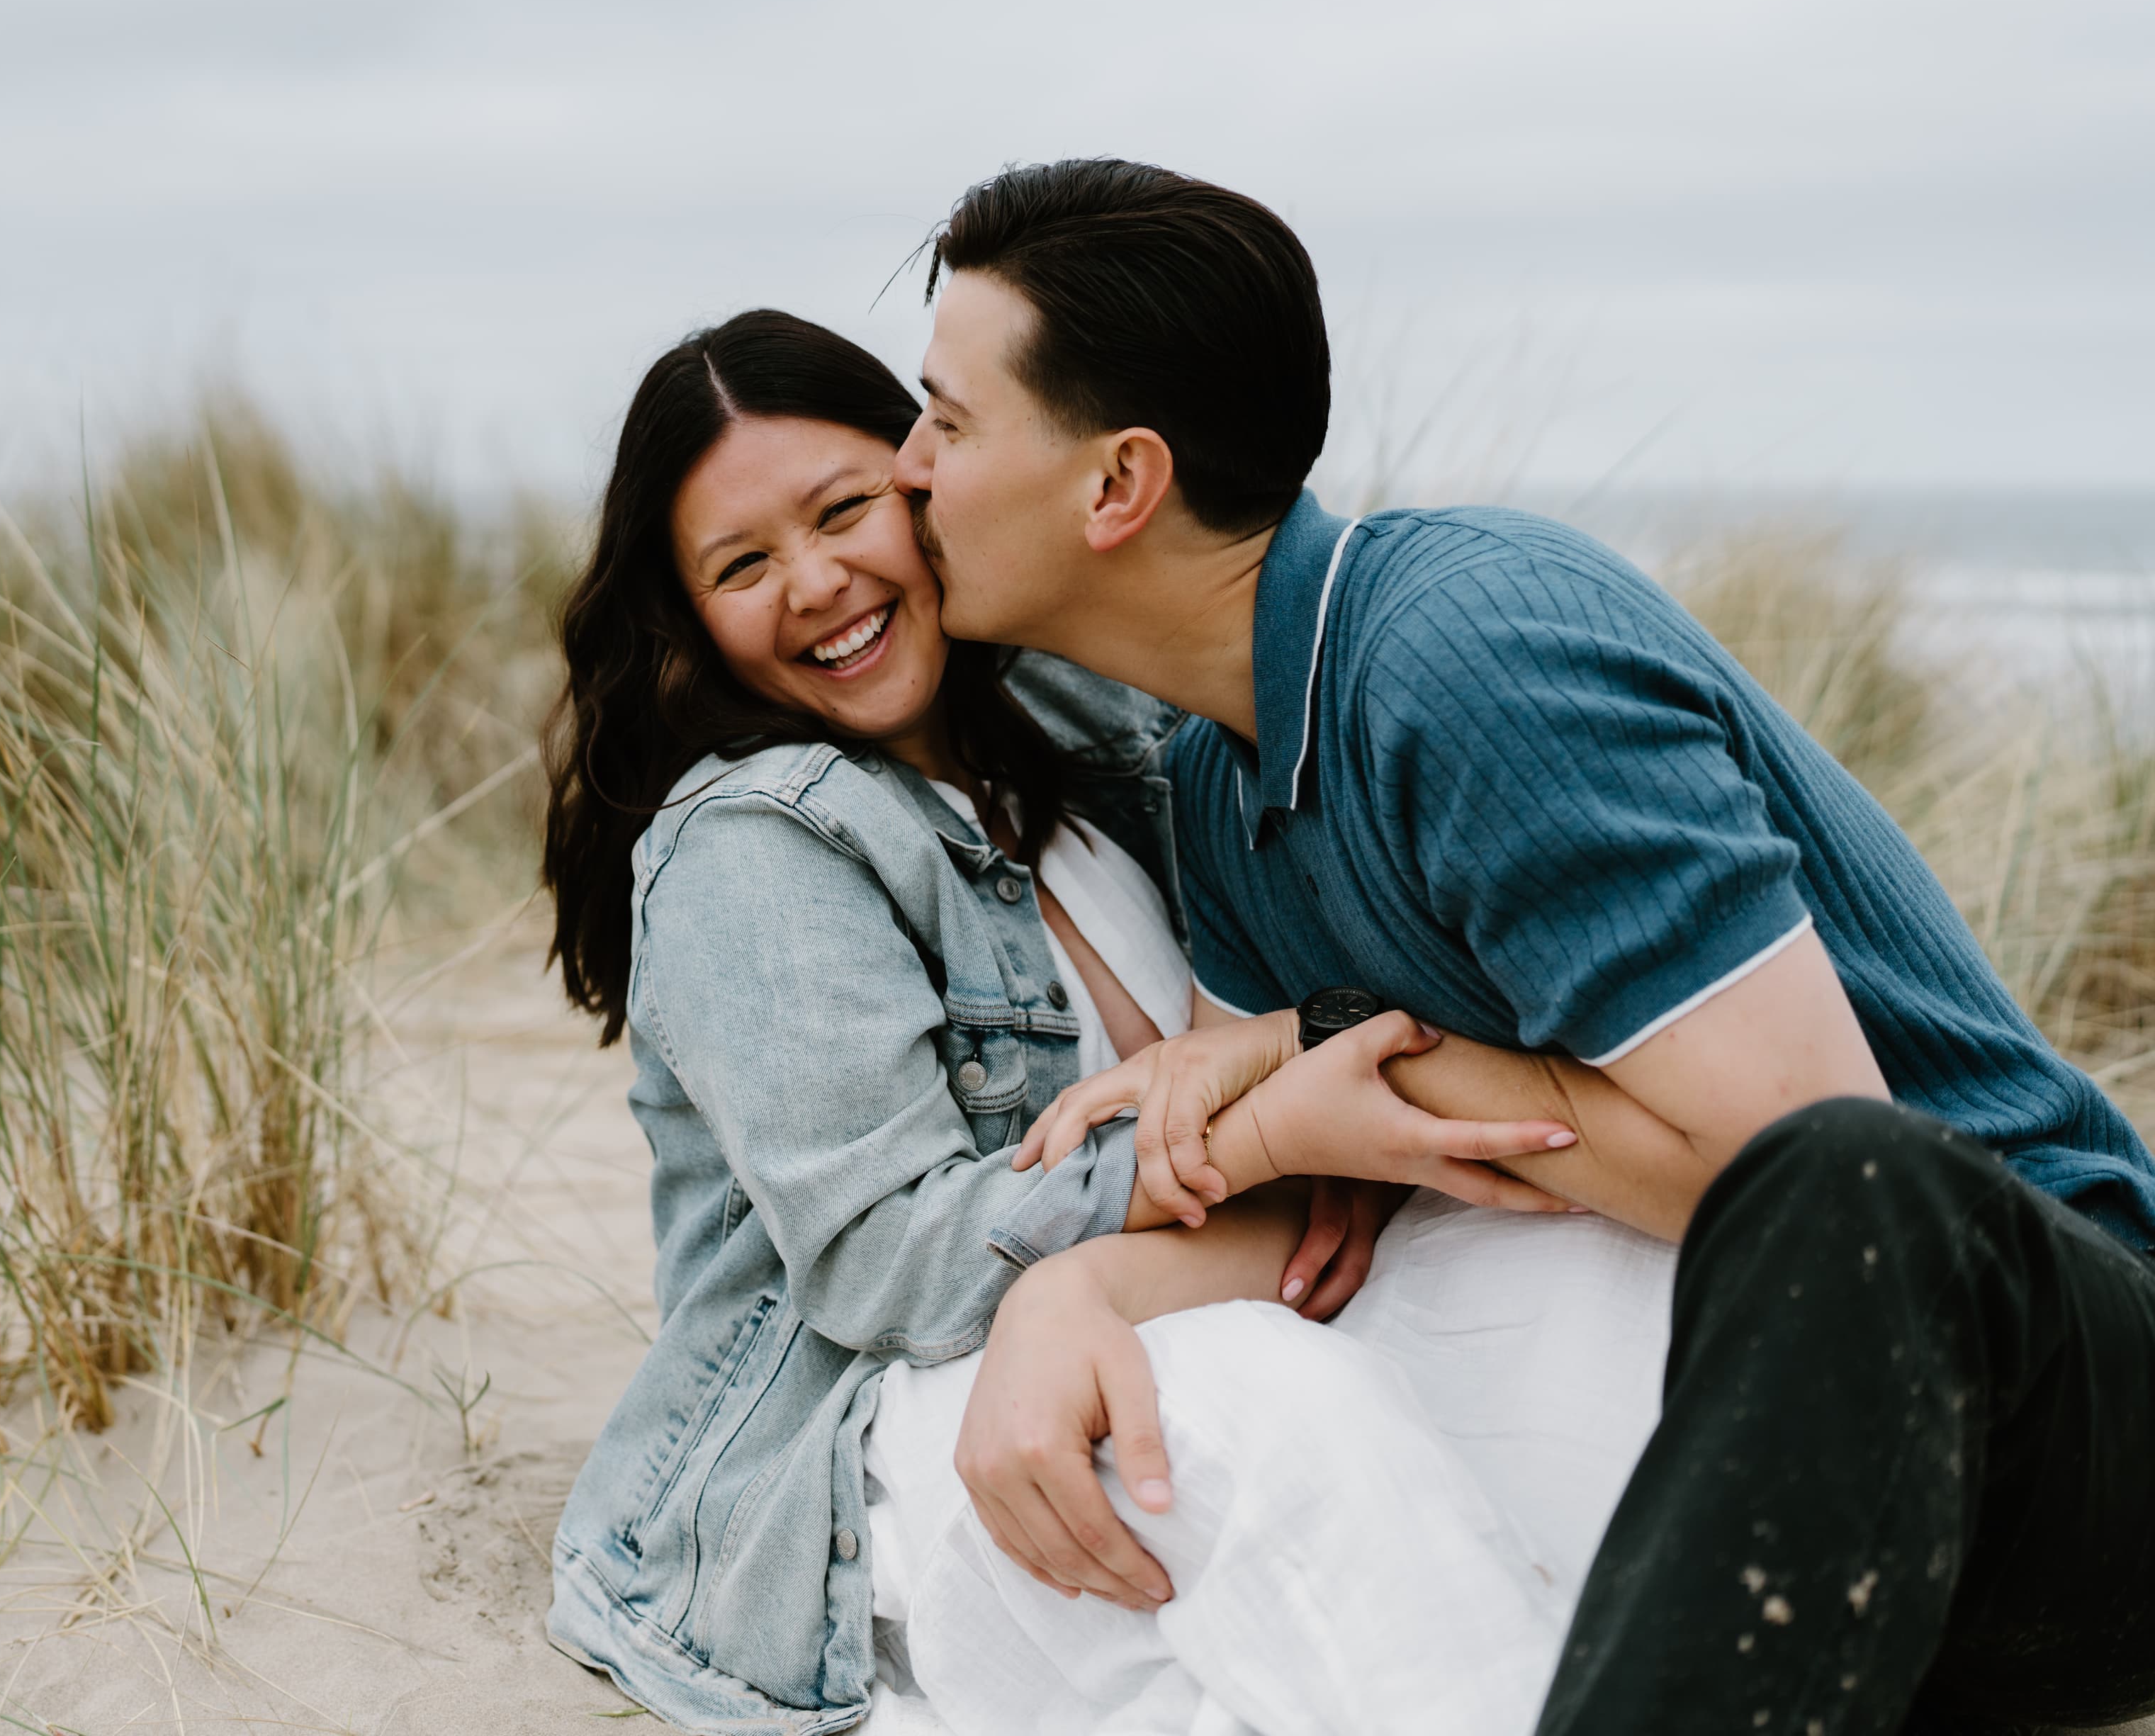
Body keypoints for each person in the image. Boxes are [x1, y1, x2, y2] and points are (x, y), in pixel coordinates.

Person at [896, 157, 2155, 1734]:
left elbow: (1805, 1165)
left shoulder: (1466, 654)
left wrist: (1318, 1036)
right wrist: (1070, 1296)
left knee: (1843, 1182)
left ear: (1115, 483)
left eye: (946, 418)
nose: (908, 469)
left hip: (2051, 1424)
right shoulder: (1219, 774)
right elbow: (1313, 1202)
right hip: (1752, 1496)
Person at [538, 308, 1703, 1736]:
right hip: (906, 1424)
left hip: (1215, 1283)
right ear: (692, 617)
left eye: (844, 510)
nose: (815, 581)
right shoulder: (758, 844)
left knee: (1605, 1273)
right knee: (1267, 1410)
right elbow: (888, 1263)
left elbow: (1290, 975)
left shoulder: (1086, 720)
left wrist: (1313, 1098)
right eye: (741, 565)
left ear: (925, 481)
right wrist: (1266, 1138)